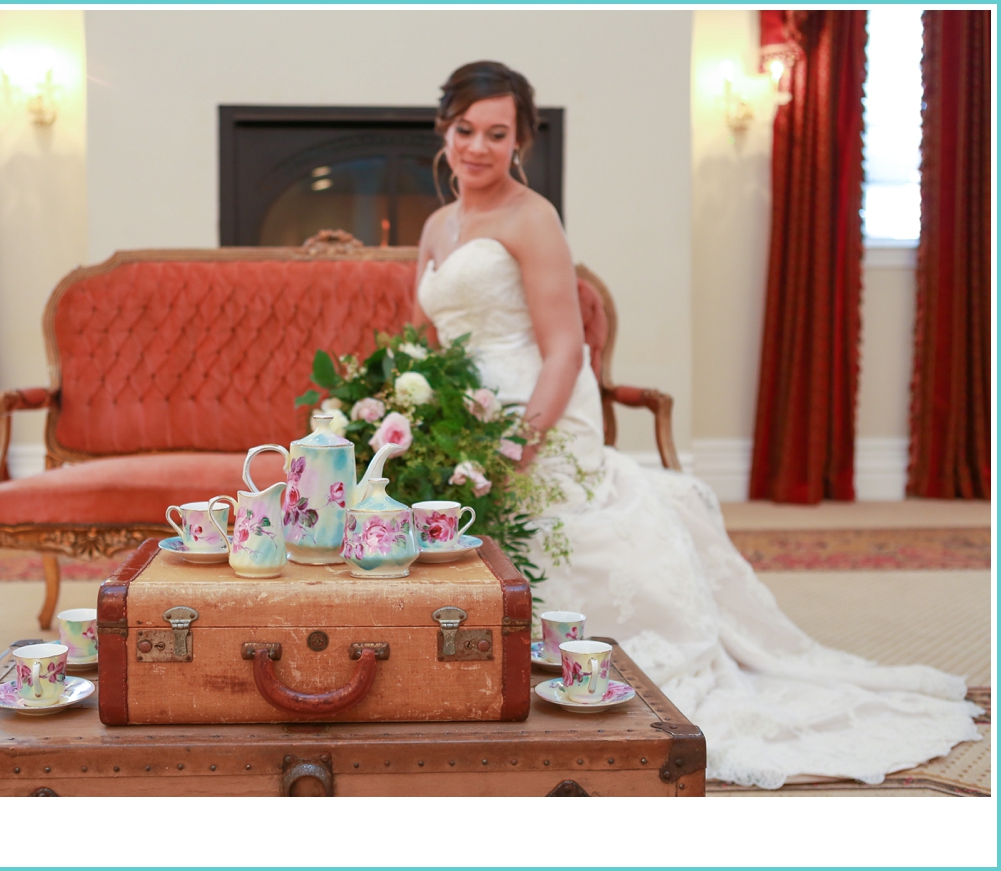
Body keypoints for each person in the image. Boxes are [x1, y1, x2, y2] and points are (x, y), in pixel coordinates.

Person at [413, 60, 981, 789]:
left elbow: (565, 347)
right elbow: (428, 340)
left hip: (539, 405)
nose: (478, 147)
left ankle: (578, 667)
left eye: (498, 133)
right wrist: (425, 414)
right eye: (466, 130)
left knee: (556, 529)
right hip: (465, 413)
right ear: (444, 129)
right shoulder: (435, 223)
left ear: (520, 139)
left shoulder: (533, 216)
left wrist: (521, 440)